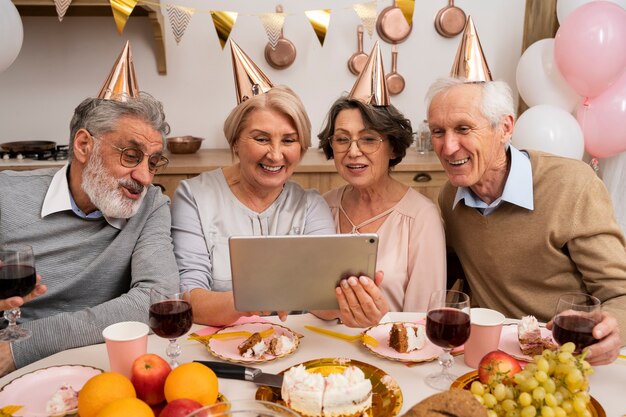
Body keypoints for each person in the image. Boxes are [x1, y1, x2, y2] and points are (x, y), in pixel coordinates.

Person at [0, 42, 180, 377]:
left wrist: (24, 345)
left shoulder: (152, 206)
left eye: (153, 163)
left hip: (103, 362)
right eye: (130, 155)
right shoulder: (5, 196)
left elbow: (154, 301)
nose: (143, 176)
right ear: (84, 146)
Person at [426, 76, 626, 365]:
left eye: (463, 129)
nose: (447, 147)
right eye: (437, 131)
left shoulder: (572, 185)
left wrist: (611, 327)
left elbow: (620, 292)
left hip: (558, 357)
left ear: (505, 128)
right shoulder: (450, 197)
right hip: (485, 356)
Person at [172, 41, 339, 327]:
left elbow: (326, 301)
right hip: (219, 345)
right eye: (261, 139)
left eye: (288, 140)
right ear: (235, 141)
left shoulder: (311, 206)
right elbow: (190, 298)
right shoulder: (194, 197)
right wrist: (254, 299)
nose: (275, 154)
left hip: (294, 347)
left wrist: (348, 300)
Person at [317, 42, 446, 320]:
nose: (353, 151)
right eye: (342, 139)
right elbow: (306, 302)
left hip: (392, 351)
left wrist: (382, 320)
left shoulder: (421, 217)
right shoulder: (322, 207)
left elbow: (424, 320)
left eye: (368, 139)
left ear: (394, 148)